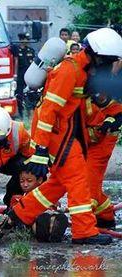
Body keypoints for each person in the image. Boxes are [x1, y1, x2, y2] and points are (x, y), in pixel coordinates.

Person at [7, 28, 122, 245]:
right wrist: (40, 150)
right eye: (108, 61)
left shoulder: (84, 70)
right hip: (58, 137)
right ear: (97, 56)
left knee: (59, 183)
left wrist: (115, 114)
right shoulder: (69, 71)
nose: (109, 67)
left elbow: (98, 99)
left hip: (68, 135)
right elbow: (48, 111)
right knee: (79, 180)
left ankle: (20, 214)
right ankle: (84, 231)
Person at [84, 81, 122, 229]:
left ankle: (84, 225)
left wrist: (116, 116)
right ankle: (105, 216)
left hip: (104, 137)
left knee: (89, 180)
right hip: (84, 137)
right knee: (83, 179)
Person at [13, 33, 35, 118]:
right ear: (21, 40)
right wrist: (15, 75)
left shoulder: (31, 50)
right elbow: (16, 62)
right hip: (20, 74)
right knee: (19, 93)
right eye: (26, 39)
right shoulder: (16, 50)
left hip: (29, 74)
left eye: (28, 39)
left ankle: (30, 111)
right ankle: (21, 112)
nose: (27, 41)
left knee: (30, 93)